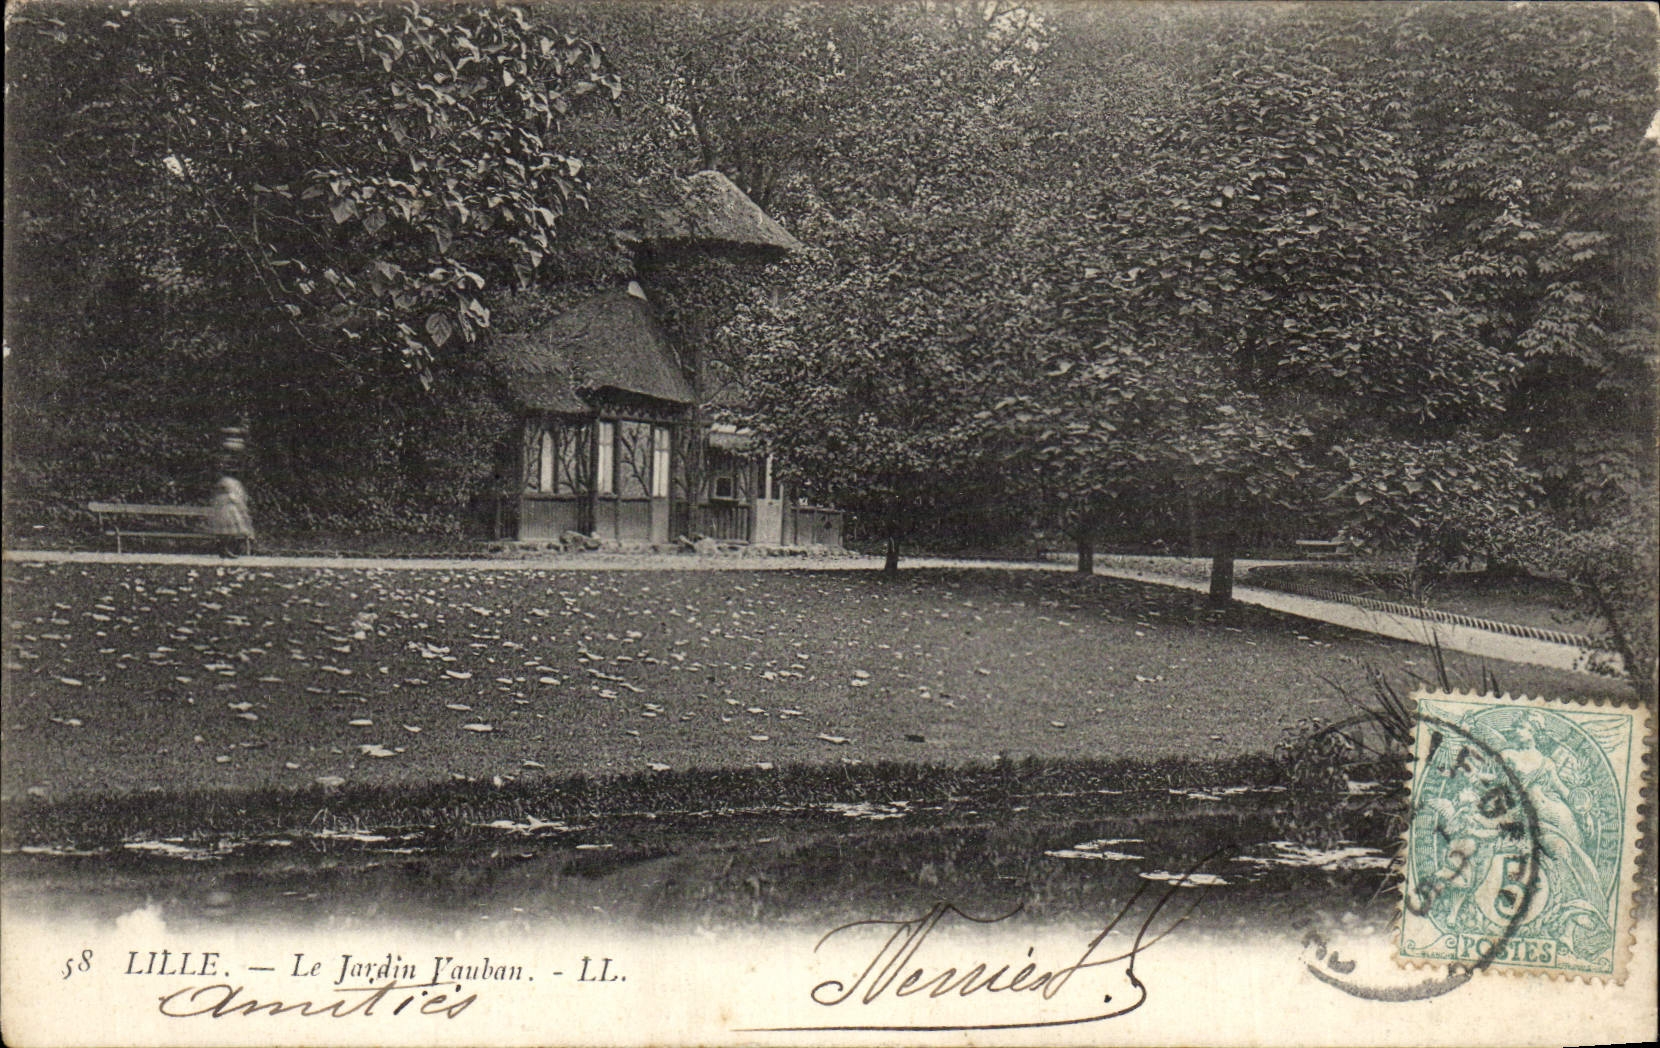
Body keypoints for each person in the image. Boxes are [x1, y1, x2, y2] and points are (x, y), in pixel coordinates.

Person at [207, 474, 254, 557]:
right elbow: (239, 504)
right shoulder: (230, 496)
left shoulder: (218, 497)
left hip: (222, 517)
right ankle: (226, 549)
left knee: (226, 533)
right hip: (230, 516)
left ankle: (225, 549)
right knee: (230, 533)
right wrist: (243, 511)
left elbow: (214, 506)